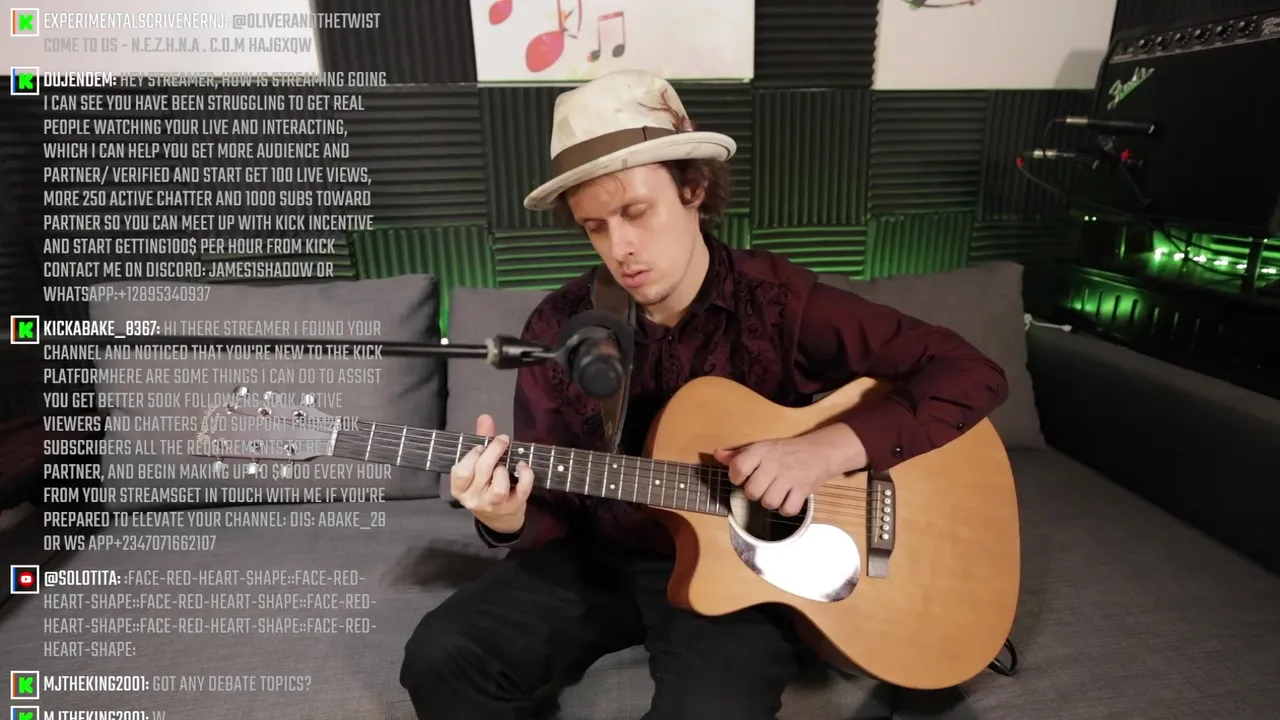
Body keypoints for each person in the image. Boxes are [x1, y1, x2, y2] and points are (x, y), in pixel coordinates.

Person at [400, 69, 1009, 720]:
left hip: (737, 572)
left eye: (636, 212)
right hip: (597, 562)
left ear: (693, 188)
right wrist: (504, 517)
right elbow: (548, 505)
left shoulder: (777, 304)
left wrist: (828, 450)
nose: (620, 249)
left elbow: (968, 371)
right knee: (440, 657)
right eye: (595, 226)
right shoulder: (560, 327)